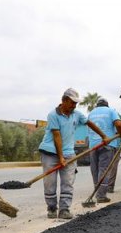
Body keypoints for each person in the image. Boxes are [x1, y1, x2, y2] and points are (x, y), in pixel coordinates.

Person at [38, 88, 109, 219]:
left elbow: (90, 123)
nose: (74, 106)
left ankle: (64, 209)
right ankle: (52, 208)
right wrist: (60, 157)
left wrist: (103, 136)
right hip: (50, 152)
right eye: (72, 102)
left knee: (68, 182)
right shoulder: (53, 115)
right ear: (64, 101)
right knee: (50, 182)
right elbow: (57, 136)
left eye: (76, 103)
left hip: (69, 153)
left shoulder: (76, 114)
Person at [87, 97, 121, 203]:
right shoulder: (111, 111)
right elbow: (118, 124)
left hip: (93, 145)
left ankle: (97, 191)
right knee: (104, 169)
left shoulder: (91, 113)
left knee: (95, 170)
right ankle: (101, 196)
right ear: (107, 104)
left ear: (97, 105)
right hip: (107, 144)